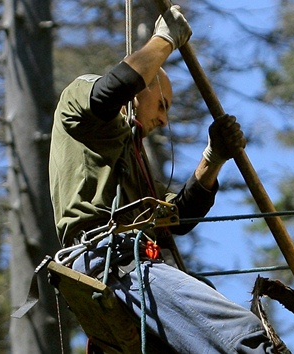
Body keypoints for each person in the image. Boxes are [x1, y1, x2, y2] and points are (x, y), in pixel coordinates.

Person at [49, 6, 275, 353]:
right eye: (162, 104)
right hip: (111, 261)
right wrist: (165, 40)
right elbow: (108, 93)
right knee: (241, 337)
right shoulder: (79, 100)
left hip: (125, 268)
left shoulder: (131, 165)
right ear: (144, 87)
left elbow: (174, 219)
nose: (164, 119)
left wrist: (211, 159)